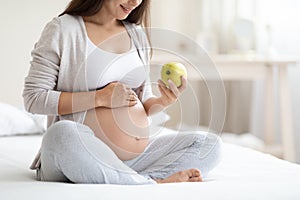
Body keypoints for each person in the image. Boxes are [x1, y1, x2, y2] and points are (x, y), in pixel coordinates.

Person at [23, 0, 222, 184]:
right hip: (79, 154)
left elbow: (143, 103)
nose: (135, 2)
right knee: (61, 134)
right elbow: (34, 98)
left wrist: (163, 100)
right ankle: (150, 183)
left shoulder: (136, 34)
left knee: (209, 144)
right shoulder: (63, 29)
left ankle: (124, 178)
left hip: (131, 159)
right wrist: (100, 98)